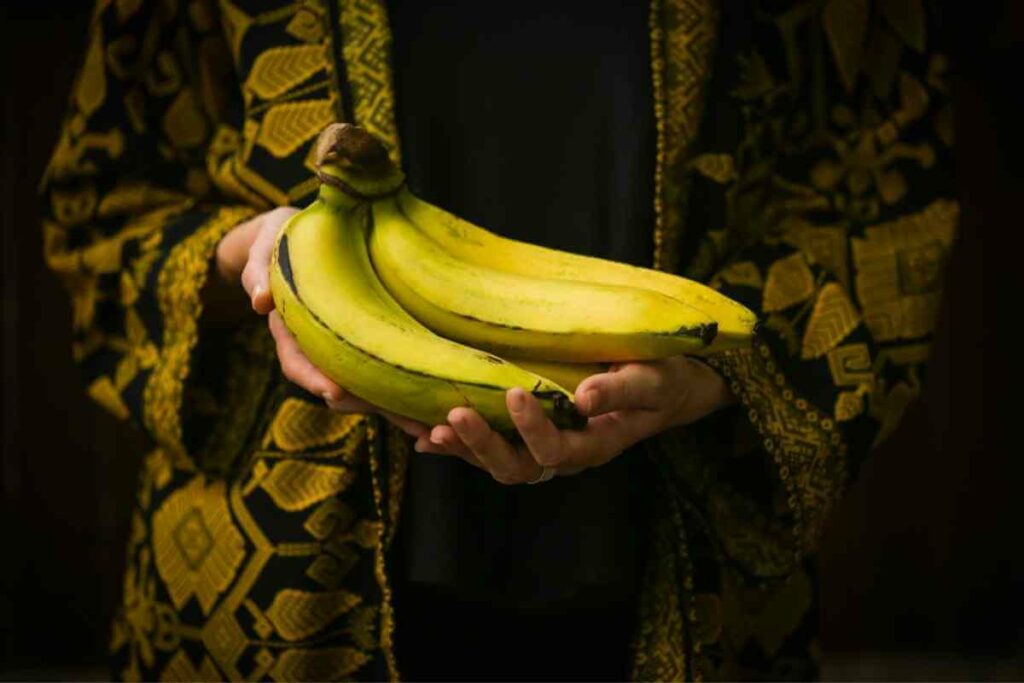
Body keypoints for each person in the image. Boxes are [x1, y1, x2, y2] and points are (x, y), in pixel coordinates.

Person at [40, 0, 955, 680]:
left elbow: (882, 197)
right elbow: (102, 203)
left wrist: (715, 378)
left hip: (693, 578)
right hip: (280, 588)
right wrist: (257, 258)